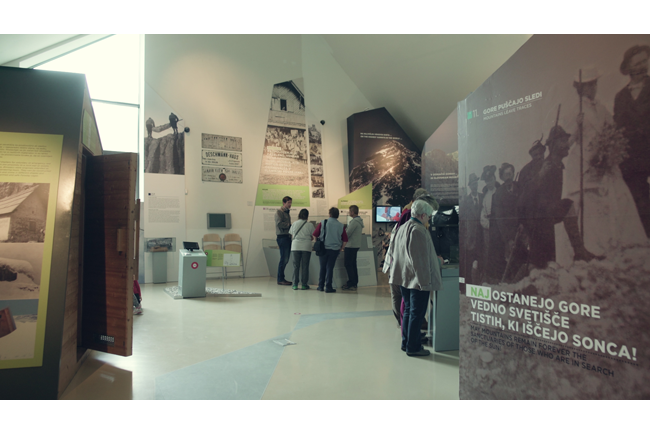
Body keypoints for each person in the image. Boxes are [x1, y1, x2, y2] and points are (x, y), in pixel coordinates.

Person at [555, 66, 646, 266]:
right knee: (586, 205)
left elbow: (612, 130)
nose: (593, 88)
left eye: (595, 84)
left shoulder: (601, 108)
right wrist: (577, 127)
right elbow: (566, 143)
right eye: (589, 85)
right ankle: (585, 250)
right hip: (583, 165)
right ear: (581, 88)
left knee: (616, 195)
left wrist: (609, 148)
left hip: (603, 162)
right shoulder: (575, 110)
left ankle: (623, 243)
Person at [519, 125, 597, 272]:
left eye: (566, 141)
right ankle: (579, 251)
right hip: (536, 219)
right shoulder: (541, 165)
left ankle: (580, 251)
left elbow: (568, 144)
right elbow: (525, 194)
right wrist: (540, 175)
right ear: (553, 145)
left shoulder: (557, 162)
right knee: (538, 265)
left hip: (547, 216)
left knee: (543, 264)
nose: (567, 145)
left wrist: (578, 127)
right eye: (562, 141)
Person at [388, 199, 442, 357]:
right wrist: (425, 282)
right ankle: (413, 347)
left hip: (404, 278)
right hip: (417, 281)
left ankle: (406, 343)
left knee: (408, 311)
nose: (428, 220)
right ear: (423, 215)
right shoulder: (418, 230)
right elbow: (420, 260)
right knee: (416, 314)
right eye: (429, 217)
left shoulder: (403, 227)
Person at [614, 45, 650, 237]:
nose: (643, 66)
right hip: (632, 161)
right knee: (639, 201)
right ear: (628, 68)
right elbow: (617, 129)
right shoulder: (620, 97)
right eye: (638, 63)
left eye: (645, 61)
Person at [489, 163, 519, 283]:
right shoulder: (498, 194)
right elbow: (500, 219)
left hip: (521, 230)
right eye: (506, 175)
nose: (509, 177)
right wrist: (508, 239)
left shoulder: (520, 188)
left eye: (510, 174)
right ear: (501, 177)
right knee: (509, 260)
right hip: (507, 234)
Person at [312, 207, 347, 293]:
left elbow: (315, 234)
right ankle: (328, 287)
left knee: (322, 267)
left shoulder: (323, 222)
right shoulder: (341, 225)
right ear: (337, 215)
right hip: (334, 250)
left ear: (329, 214)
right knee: (330, 268)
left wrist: (317, 243)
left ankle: (320, 286)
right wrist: (341, 248)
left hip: (323, 248)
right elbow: (345, 240)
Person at [460, 173, 482, 284]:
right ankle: (468, 284)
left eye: (476, 183)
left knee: (481, 260)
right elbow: (462, 220)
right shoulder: (465, 201)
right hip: (470, 237)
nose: (475, 186)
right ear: (470, 186)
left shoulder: (482, 197)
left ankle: (480, 283)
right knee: (469, 261)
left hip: (481, 237)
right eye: (472, 184)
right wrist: (466, 237)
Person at [479, 165, 500, 281]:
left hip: (499, 226)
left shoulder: (500, 192)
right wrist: (486, 223)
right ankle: (489, 276)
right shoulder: (485, 195)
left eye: (491, 180)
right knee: (487, 250)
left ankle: (499, 275)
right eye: (487, 181)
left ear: (494, 178)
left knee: (498, 250)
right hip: (488, 226)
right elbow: (483, 211)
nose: (489, 183)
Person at [289, 209, 315, 290]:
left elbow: (292, 235)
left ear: (299, 215)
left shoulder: (294, 223)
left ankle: (295, 284)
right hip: (306, 247)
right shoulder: (310, 225)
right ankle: (304, 284)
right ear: (307, 216)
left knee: (296, 266)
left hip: (295, 246)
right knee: (305, 266)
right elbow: (313, 236)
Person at [342, 205, 364, 290]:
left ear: (352, 212)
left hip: (350, 245)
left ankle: (351, 283)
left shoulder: (354, 222)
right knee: (353, 264)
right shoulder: (359, 221)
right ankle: (354, 282)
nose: (349, 213)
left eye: (349, 211)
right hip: (355, 245)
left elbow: (348, 233)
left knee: (348, 264)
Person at [275, 196, 293, 286]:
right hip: (282, 237)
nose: (290, 204)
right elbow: (279, 224)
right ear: (284, 203)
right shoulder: (279, 212)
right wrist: (289, 225)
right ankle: (280, 279)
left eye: (291, 203)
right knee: (284, 259)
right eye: (288, 202)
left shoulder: (287, 212)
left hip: (287, 236)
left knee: (286, 259)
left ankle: (281, 278)